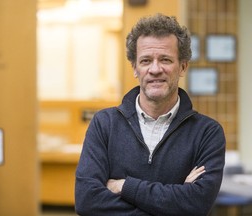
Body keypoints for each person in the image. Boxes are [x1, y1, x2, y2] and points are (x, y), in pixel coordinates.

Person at [75, 13, 226, 216]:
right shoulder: (105, 124)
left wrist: (124, 187)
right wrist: (176, 200)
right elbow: (87, 202)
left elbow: (197, 205)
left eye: (165, 59)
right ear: (135, 68)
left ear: (183, 66)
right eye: (146, 61)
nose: (155, 69)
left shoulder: (207, 133)